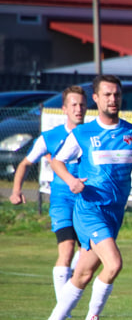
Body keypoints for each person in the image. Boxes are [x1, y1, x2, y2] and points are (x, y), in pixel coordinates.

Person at [38, 75, 132, 320]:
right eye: (107, 95)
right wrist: (71, 181)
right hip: (89, 210)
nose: (112, 99)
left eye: (116, 95)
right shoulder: (83, 134)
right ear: (96, 98)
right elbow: (57, 161)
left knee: (82, 275)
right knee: (113, 264)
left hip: (114, 213)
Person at [8, 86, 87, 301]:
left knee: (88, 254)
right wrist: (16, 191)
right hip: (62, 199)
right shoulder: (50, 137)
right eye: (73, 105)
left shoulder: (91, 134)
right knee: (67, 248)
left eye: (82, 105)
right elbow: (25, 163)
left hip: (87, 201)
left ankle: (67, 292)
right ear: (64, 109)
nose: (78, 109)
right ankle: (63, 307)